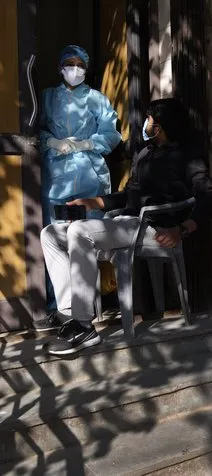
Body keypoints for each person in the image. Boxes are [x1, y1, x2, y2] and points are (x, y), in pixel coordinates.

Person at [39, 98, 212, 356]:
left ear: (162, 125)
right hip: (128, 223)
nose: (146, 124)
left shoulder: (188, 156)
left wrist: (182, 229)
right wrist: (94, 202)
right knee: (51, 233)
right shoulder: (145, 154)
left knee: (80, 232)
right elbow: (129, 195)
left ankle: (84, 326)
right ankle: (70, 312)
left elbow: (208, 198)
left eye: (150, 120)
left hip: (156, 229)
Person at [37, 45, 122, 330]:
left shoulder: (97, 99)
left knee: (91, 238)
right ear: (60, 66)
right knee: (55, 238)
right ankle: (58, 306)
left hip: (91, 174)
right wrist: (51, 142)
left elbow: (111, 134)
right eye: (69, 63)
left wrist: (86, 143)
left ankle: (93, 304)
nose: (74, 69)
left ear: (86, 68)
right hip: (57, 174)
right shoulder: (47, 97)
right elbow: (37, 129)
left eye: (79, 64)